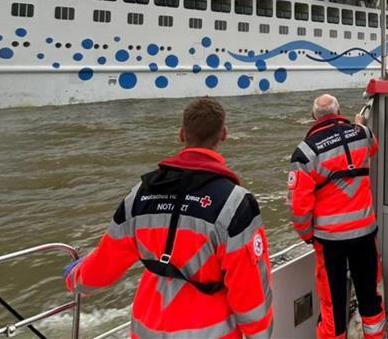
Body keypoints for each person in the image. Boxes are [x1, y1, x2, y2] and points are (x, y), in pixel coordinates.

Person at [64, 98, 273, 338]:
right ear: (223, 134)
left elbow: (105, 263)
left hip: (148, 329)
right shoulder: (235, 203)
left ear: (181, 134)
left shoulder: (140, 195)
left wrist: (75, 277)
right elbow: (250, 291)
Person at [287, 94, 385, 339]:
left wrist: (309, 236)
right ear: (339, 111)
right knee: (370, 297)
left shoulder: (305, 153)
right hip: (365, 234)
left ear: (313, 118)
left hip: (330, 243)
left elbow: (300, 210)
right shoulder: (362, 134)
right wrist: (360, 123)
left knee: (333, 306)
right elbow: (374, 147)